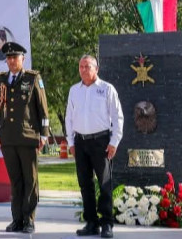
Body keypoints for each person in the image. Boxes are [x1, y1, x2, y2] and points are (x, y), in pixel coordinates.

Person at [0, 41, 49, 234]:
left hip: (28, 137)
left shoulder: (33, 79)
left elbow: (43, 110)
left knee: (30, 181)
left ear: (22, 59)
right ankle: (16, 219)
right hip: (7, 138)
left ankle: (29, 220)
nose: (11, 61)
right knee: (15, 181)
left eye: (15, 57)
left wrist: (44, 135)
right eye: (8, 58)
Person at [66, 54, 124, 239]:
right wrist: (71, 142)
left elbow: (117, 117)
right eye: (81, 66)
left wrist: (114, 141)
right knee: (85, 184)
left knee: (105, 183)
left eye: (87, 66)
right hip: (80, 142)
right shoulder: (74, 90)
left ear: (96, 69)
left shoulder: (107, 89)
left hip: (101, 142)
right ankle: (91, 223)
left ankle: (107, 223)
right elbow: (69, 118)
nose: (83, 69)